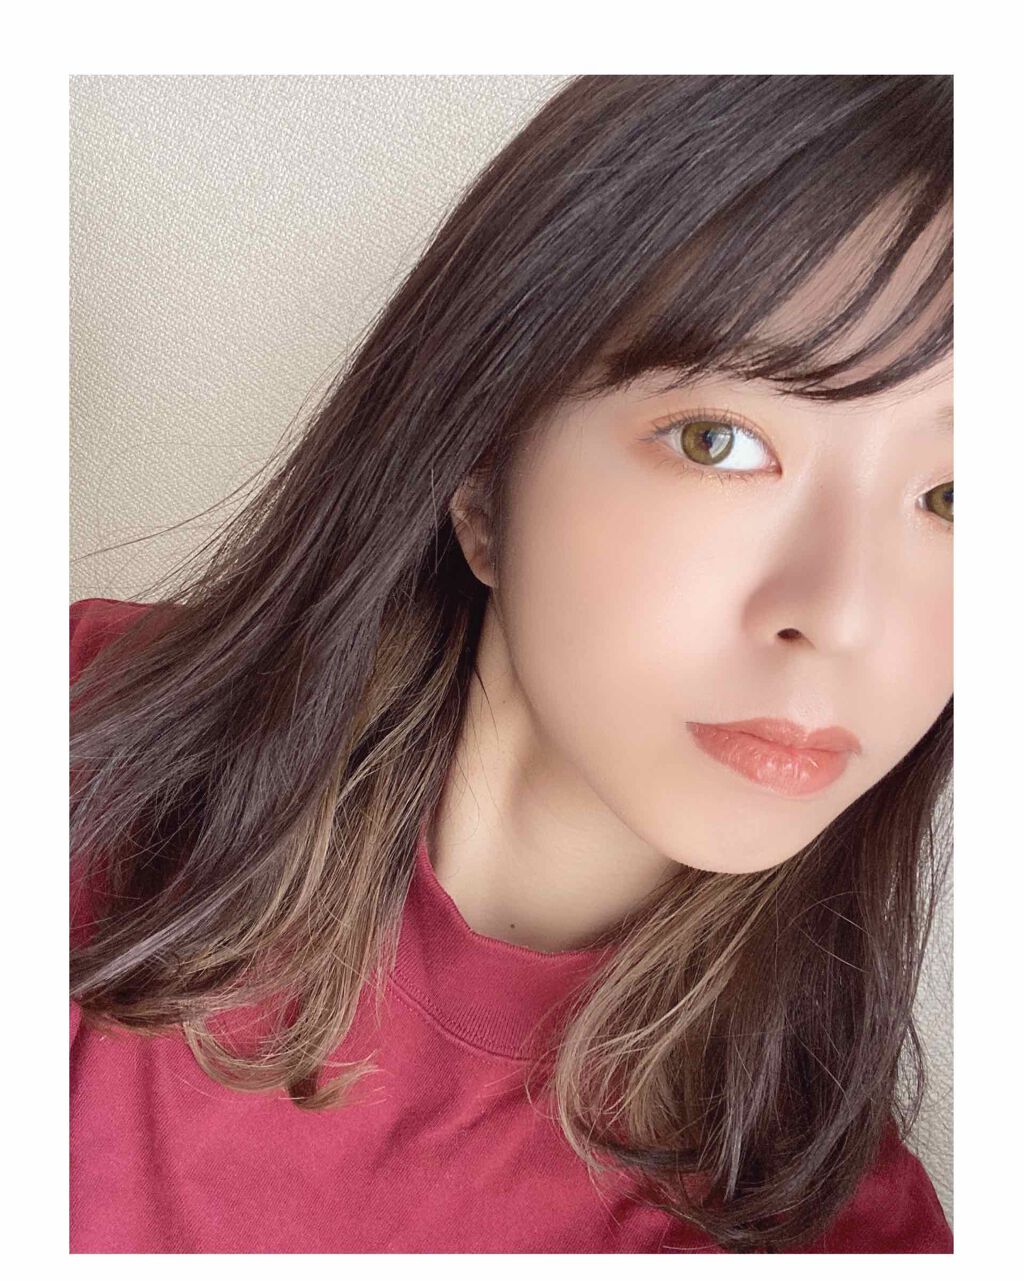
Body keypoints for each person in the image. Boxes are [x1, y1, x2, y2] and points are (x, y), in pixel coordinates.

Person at [70, 74, 954, 1253]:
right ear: (483, 476)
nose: (842, 615)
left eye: (958, 499)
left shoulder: (836, 1236)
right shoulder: (79, 742)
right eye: (719, 442)